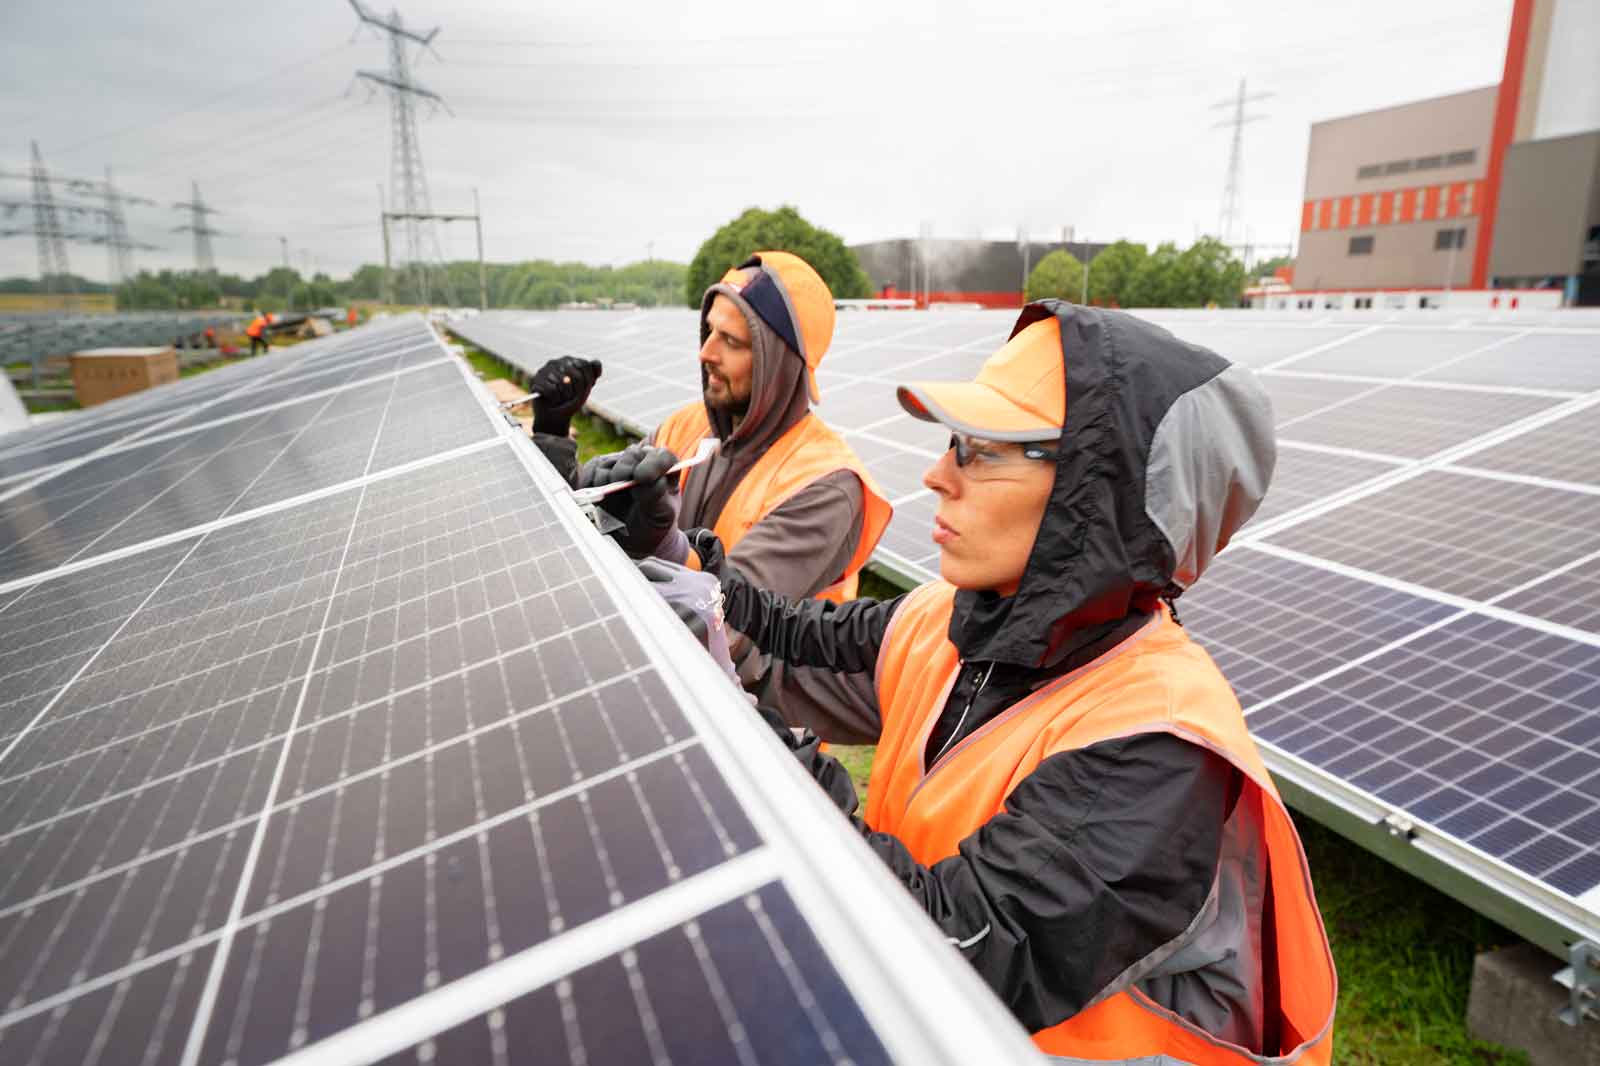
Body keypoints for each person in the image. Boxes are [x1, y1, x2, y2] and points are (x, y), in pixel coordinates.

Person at [614, 300, 1337, 1061]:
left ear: (1097, 493)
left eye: (980, 450)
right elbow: (794, 630)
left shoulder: (1152, 743)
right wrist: (670, 550)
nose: (936, 476)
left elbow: (967, 947)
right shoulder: (960, 618)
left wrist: (775, 762)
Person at [530, 251, 893, 675]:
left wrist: (657, 543)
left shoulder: (826, 485)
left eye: (732, 341)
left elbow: (731, 618)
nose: (705, 352)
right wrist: (553, 438)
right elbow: (597, 531)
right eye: (708, 331)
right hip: (665, 661)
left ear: (779, 363)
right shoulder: (690, 425)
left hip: (756, 718)